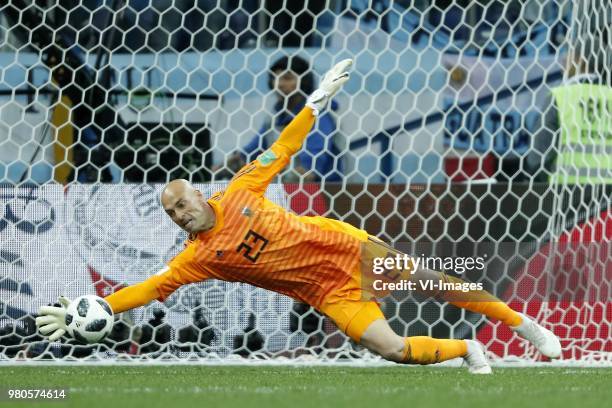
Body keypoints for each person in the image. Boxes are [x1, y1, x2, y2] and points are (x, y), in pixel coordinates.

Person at [36, 60, 561, 373]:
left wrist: (313, 103)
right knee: (393, 350)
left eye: (181, 203)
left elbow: (282, 149)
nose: (178, 214)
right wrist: (103, 305)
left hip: (347, 250)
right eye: (171, 212)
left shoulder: (242, 188)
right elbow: (150, 288)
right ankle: (468, 348)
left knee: (442, 284)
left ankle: (525, 325)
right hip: (327, 294)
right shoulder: (198, 259)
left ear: (199, 194)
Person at [221, 55, 342, 182]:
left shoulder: (318, 114)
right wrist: (236, 160)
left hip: (321, 192)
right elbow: (254, 150)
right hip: (285, 188)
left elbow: (311, 168)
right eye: (276, 77)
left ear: (304, 80)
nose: (280, 83)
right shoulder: (274, 118)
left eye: (287, 78)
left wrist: (300, 170)